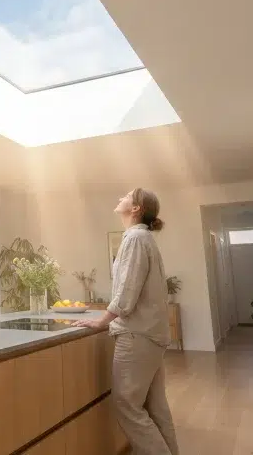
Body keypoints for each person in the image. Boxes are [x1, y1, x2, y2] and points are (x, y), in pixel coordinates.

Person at [74, 188, 178, 455]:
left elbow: (126, 293)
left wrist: (102, 321)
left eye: (127, 195)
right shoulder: (144, 239)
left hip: (136, 336)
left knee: (127, 406)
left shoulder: (134, 239)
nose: (119, 196)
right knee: (156, 407)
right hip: (152, 336)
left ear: (136, 209)